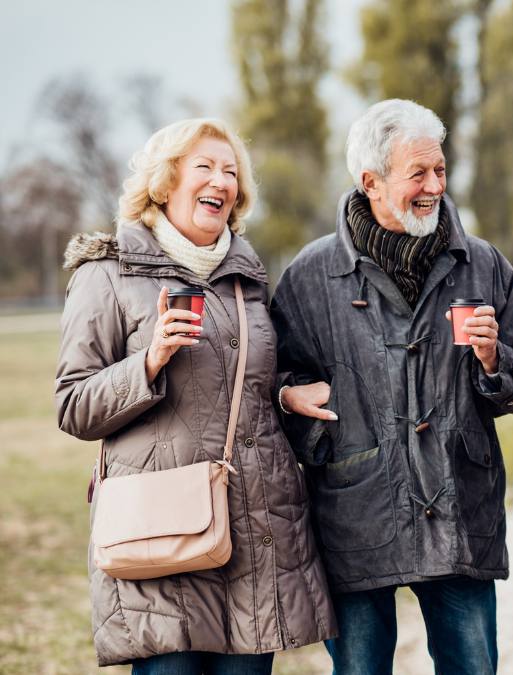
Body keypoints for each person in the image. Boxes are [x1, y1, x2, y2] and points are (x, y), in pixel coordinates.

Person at [270, 99, 513, 675]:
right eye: (417, 173)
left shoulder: (482, 264)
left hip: (458, 514)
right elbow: (276, 385)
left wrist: (494, 359)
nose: (434, 186)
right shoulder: (309, 276)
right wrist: (295, 406)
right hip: (356, 515)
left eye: (440, 170)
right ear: (370, 181)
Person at [56, 118, 336, 672]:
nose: (221, 180)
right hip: (161, 535)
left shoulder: (248, 280)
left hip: (254, 534)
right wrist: (151, 360)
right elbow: (72, 404)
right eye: (204, 167)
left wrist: (285, 397)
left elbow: (244, 382)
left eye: (231, 171)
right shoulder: (108, 273)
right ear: (165, 183)